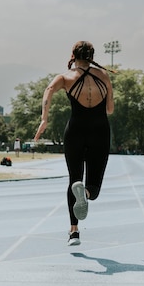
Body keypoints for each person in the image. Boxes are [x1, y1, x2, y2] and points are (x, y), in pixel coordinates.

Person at [34, 41, 115, 246]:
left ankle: (74, 231)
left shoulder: (65, 77)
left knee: (74, 179)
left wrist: (44, 119)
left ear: (73, 55)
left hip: (75, 131)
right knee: (94, 185)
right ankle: (86, 194)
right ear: (92, 55)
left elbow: (49, 89)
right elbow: (110, 109)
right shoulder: (103, 76)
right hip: (100, 131)